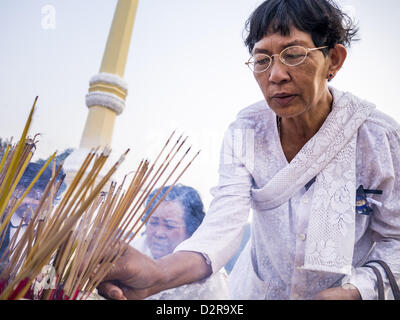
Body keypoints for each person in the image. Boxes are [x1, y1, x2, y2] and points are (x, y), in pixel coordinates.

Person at [98, 0, 400, 300]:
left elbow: (396, 239)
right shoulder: (245, 132)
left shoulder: (378, 139)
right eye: (262, 59)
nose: (276, 75)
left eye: (293, 54)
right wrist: (158, 275)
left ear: (333, 59)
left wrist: (356, 291)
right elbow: (224, 222)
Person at [129, 184, 229, 300]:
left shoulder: (209, 275)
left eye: (170, 225)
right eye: (154, 222)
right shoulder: (132, 251)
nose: (159, 233)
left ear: (191, 230)